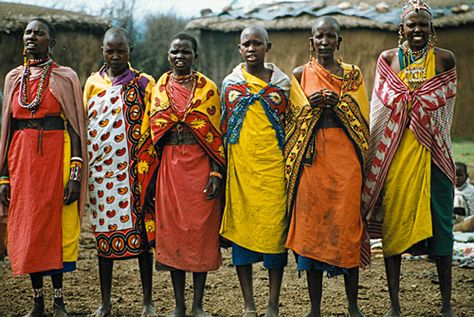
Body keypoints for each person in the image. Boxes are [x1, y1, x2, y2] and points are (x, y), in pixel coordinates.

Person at [361, 1, 458, 316]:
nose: (417, 30)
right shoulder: (388, 60)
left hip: (434, 156)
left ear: (432, 28)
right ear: (400, 29)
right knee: (395, 225)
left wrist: (412, 102)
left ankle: (445, 304)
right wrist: (409, 102)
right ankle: (394, 305)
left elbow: (444, 103)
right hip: (396, 156)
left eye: (423, 25)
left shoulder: (444, 59)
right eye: (411, 25)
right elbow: (381, 105)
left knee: (442, 227)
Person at [0, 18, 87, 316]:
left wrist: (75, 174)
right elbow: (6, 130)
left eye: (39, 33)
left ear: (51, 41)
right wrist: (3, 177)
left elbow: (75, 126)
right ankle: (37, 302)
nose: (31, 37)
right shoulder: (13, 78)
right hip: (21, 160)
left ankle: (59, 302)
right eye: (28, 32)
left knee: (57, 226)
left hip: (57, 156)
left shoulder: (65, 77)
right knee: (30, 227)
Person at [285, 16, 369, 317]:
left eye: (330, 36)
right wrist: (313, 106)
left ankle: (353, 305)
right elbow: (292, 123)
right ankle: (315, 309)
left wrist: (339, 104)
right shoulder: (299, 74)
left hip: (345, 160)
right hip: (313, 163)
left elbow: (362, 118)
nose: (324, 42)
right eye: (319, 36)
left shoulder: (352, 74)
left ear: (339, 41)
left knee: (347, 228)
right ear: (311, 41)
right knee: (312, 231)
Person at [83, 27, 159, 317]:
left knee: (141, 239)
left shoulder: (143, 83)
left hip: (133, 172)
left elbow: (152, 124)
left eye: (121, 51)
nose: (115, 56)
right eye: (109, 51)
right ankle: (105, 302)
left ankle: (148, 301)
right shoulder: (91, 84)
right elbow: (89, 121)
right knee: (104, 238)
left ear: (131, 51)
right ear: (102, 50)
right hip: (102, 173)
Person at [150, 33, 225, 317]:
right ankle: (179, 306)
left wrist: (216, 173)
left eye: (185, 52)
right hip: (169, 168)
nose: (179, 57)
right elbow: (152, 132)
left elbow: (217, 136)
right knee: (173, 236)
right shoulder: (158, 88)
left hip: (200, 166)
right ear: (168, 55)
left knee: (200, 234)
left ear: (195, 55)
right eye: (174, 52)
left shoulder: (208, 88)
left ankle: (198, 305)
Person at [220, 25, 290, 317]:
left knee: (275, 235)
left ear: (267, 47)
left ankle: (273, 304)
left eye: (257, 44)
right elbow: (223, 129)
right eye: (246, 44)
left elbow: (294, 124)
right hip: (242, 171)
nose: (251, 49)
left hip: (274, 170)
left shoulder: (284, 84)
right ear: (239, 49)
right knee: (243, 237)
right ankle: (249, 304)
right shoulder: (230, 84)